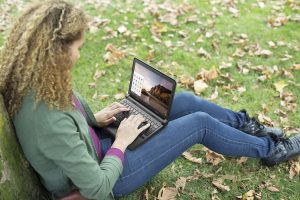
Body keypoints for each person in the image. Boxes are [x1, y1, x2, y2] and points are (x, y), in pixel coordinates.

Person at [0, 1, 299, 199]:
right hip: (107, 175)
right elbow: (97, 188)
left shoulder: (35, 80)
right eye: (78, 48)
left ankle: (247, 126)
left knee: (177, 101)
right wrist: (121, 142)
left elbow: (68, 122)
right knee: (200, 124)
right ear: (55, 53)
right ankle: (271, 149)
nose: (79, 55)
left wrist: (95, 118)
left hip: (93, 147)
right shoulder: (46, 119)